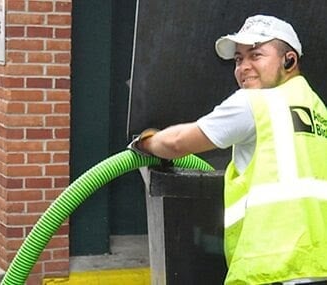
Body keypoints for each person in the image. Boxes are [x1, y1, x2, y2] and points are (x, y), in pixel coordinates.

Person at [129, 15, 327, 285]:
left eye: (255, 55)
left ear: (289, 60)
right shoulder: (319, 112)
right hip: (317, 267)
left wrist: (145, 142)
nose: (243, 67)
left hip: (273, 270)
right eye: (238, 59)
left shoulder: (254, 103)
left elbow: (176, 144)